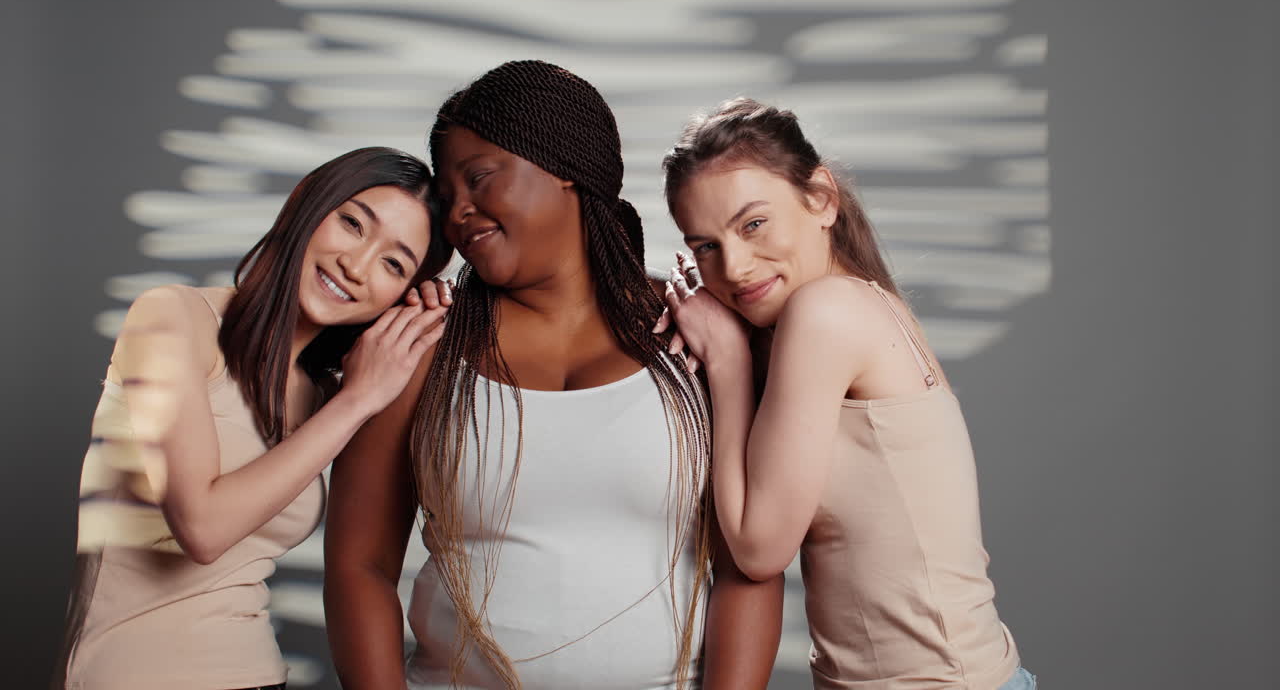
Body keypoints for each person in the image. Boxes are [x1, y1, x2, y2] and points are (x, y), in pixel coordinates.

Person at [323, 61, 784, 690]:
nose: (457, 210)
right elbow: (359, 566)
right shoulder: (422, 344)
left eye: (479, 177)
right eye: (447, 192)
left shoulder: (700, 337)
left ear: (565, 165)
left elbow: (747, 570)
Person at [656, 98, 1036, 690]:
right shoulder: (865, 300)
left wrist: (727, 362)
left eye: (753, 224)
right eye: (704, 245)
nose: (733, 266)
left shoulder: (825, 312)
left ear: (822, 200)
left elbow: (758, 550)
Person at [56, 147, 454, 690]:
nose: (355, 266)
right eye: (352, 223)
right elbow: (202, 527)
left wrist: (421, 331)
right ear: (307, 203)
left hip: (257, 673)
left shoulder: (323, 395)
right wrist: (359, 399)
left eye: (393, 264)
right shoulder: (173, 317)